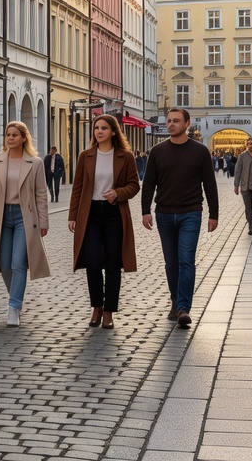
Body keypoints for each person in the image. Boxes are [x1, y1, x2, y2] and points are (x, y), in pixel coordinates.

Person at [141, 107, 219, 330]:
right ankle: (176, 302)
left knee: (186, 260)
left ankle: (183, 308)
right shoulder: (157, 152)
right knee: (171, 263)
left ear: (187, 124)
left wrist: (214, 214)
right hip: (164, 213)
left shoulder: (200, 151)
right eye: (169, 121)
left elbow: (210, 184)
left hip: (190, 213)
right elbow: (149, 183)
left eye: (176, 121)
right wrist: (145, 210)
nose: (171, 124)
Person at [68, 114, 140, 329]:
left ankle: (109, 311)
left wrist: (118, 193)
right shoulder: (86, 156)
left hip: (113, 213)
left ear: (113, 132)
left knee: (112, 264)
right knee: (92, 262)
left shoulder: (125, 156)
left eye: (104, 128)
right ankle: (96, 307)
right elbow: (78, 187)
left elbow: (134, 185)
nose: (99, 131)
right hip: (90, 213)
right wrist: (72, 215)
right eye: (96, 128)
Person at [0, 121, 50, 326]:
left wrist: (44, 222)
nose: (10, 138)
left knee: (18, 263)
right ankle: (16, 298)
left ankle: (13, 306)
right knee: (5, 264)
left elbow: (41, 194)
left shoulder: (35, 163)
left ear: (23, 138)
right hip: (0, 216)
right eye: (8, 135)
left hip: (23, 217)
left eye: (15, 135)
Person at [233, 136, 252, 237]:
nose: (251, 145)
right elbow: (238, 171)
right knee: (248, 209)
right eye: (249, 143)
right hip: (245, 187)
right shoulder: (242, 156)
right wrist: (236, 185)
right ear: (246, 145)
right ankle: (251, 225)